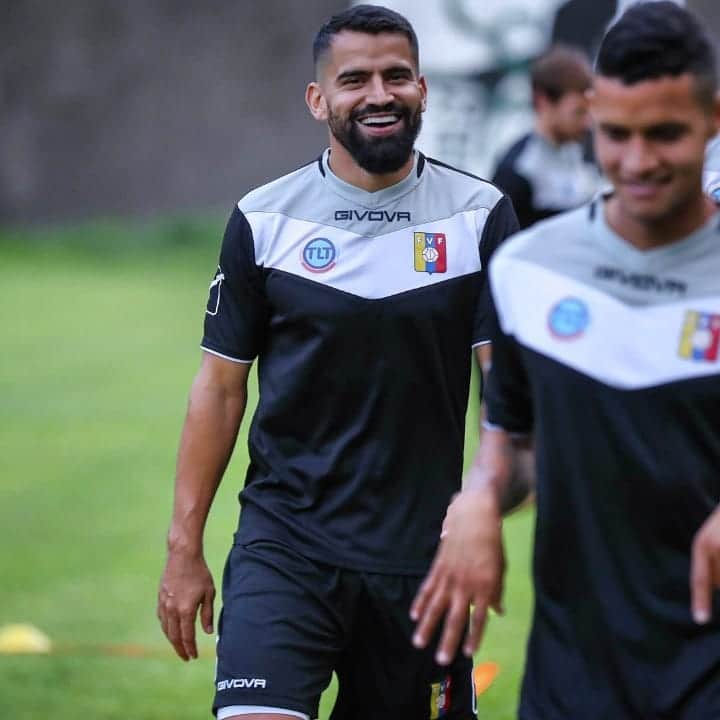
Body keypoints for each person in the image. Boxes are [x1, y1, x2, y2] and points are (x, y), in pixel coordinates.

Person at [156, 5, 519, 720]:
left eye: (396, 76)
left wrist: (481, 500)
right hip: (286, 544)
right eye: (355, 79)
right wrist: (184, 545)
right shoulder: (265, 218)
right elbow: (221, 389)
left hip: (423, 559)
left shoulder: (480, 215)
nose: (379, 94)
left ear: (423, 89)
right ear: (318, 99)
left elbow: (503, 386)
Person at [412, 3, 720, 718]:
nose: (637, 161)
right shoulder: (530, 269)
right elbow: (512, 446)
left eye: (666, 134)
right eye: (616, 134)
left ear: (712, 120)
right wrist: (480, 496)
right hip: (572, 673)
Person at [491, 45, 602, 230]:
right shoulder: (517, 170)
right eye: (578, 112)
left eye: (590, 111)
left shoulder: (575, 150)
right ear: (543, 101)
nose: (588, 123)